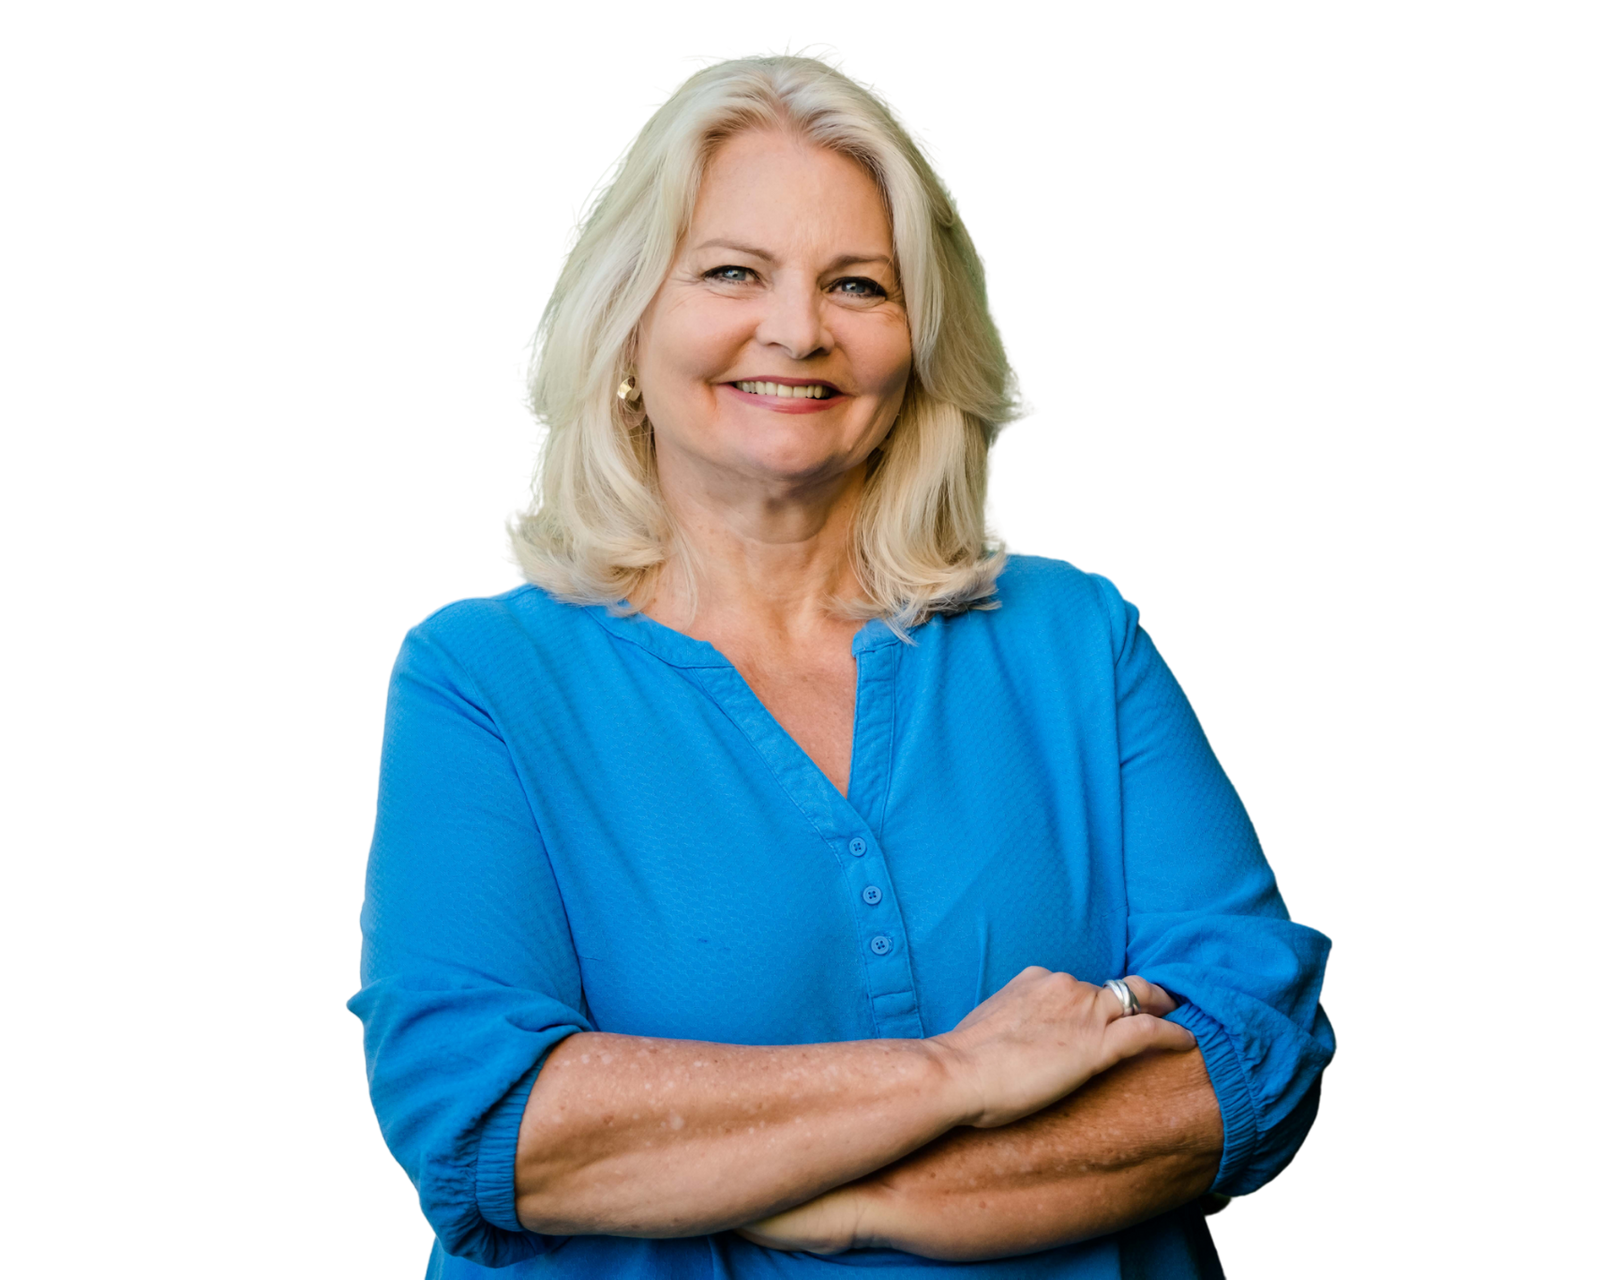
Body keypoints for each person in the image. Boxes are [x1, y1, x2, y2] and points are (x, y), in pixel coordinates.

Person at [347, 36, 1337, 1279]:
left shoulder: (1079, 635)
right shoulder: (480, 675)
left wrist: (861, 1197)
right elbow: (492, 1124)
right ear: (627, 320)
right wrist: (958, 1072)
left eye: (858, 285)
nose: (797, 330)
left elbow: (1255, 1051)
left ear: (920, 341)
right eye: (732, 271)